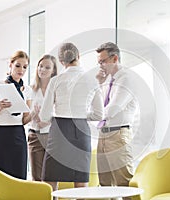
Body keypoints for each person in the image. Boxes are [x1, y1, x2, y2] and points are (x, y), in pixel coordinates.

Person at [39, 42, 104, 192]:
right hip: (81, 131)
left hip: (59, 131)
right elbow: (99, 114)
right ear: (78, 56)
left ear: (61, 62)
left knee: (50, 179)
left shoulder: (56, 80)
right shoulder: (92, 80)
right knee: (80, 179)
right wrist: (80, 115)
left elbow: (44, 115)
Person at [95, 42, 138, 191]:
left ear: (114, 59)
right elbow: (100, 105)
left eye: (103, 61)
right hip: (103, 135)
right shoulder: (108, 81)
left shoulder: (126, 79)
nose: (100, 65)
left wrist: (86, 116)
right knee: (105, 184)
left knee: (124, 183)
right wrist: (100, 84)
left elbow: (112, 110)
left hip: (117, 135)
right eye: (98, 62)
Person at [0, 50, 32, 180]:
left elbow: (24, 120)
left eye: (24, 67)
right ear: (10, 65)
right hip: (0, 134)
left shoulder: (27, 90)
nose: (21, 70)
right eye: (18, 65)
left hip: (17, 134)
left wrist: (34, 113)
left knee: (18, 175)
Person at [28, 54, 58, 181]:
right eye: (40, 66)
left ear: (53, 71)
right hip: (35, 135)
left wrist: (47, 121)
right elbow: (27, 113)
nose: (42, 70)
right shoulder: (30, 90)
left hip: (53, 136)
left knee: (52, 176)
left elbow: (62, 112)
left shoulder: (57, 89)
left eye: (47, 67)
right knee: (37, 177)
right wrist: (34, 116)